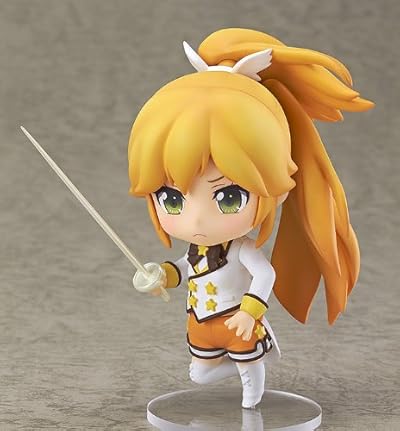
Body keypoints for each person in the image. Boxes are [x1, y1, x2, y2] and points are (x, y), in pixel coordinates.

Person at [129, 28, 374, 408]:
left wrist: (250, 311)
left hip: (236, 318)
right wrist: (161, 274)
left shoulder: (240, 249)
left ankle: (253, 384)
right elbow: (186, 267)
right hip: (202, 320)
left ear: (277, 188)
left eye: (228, 197)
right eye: (171, 198)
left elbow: (265, 275)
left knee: (247, 368)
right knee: (199, 374)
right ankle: (258, 357)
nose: (197, 221)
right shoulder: (197, 250)